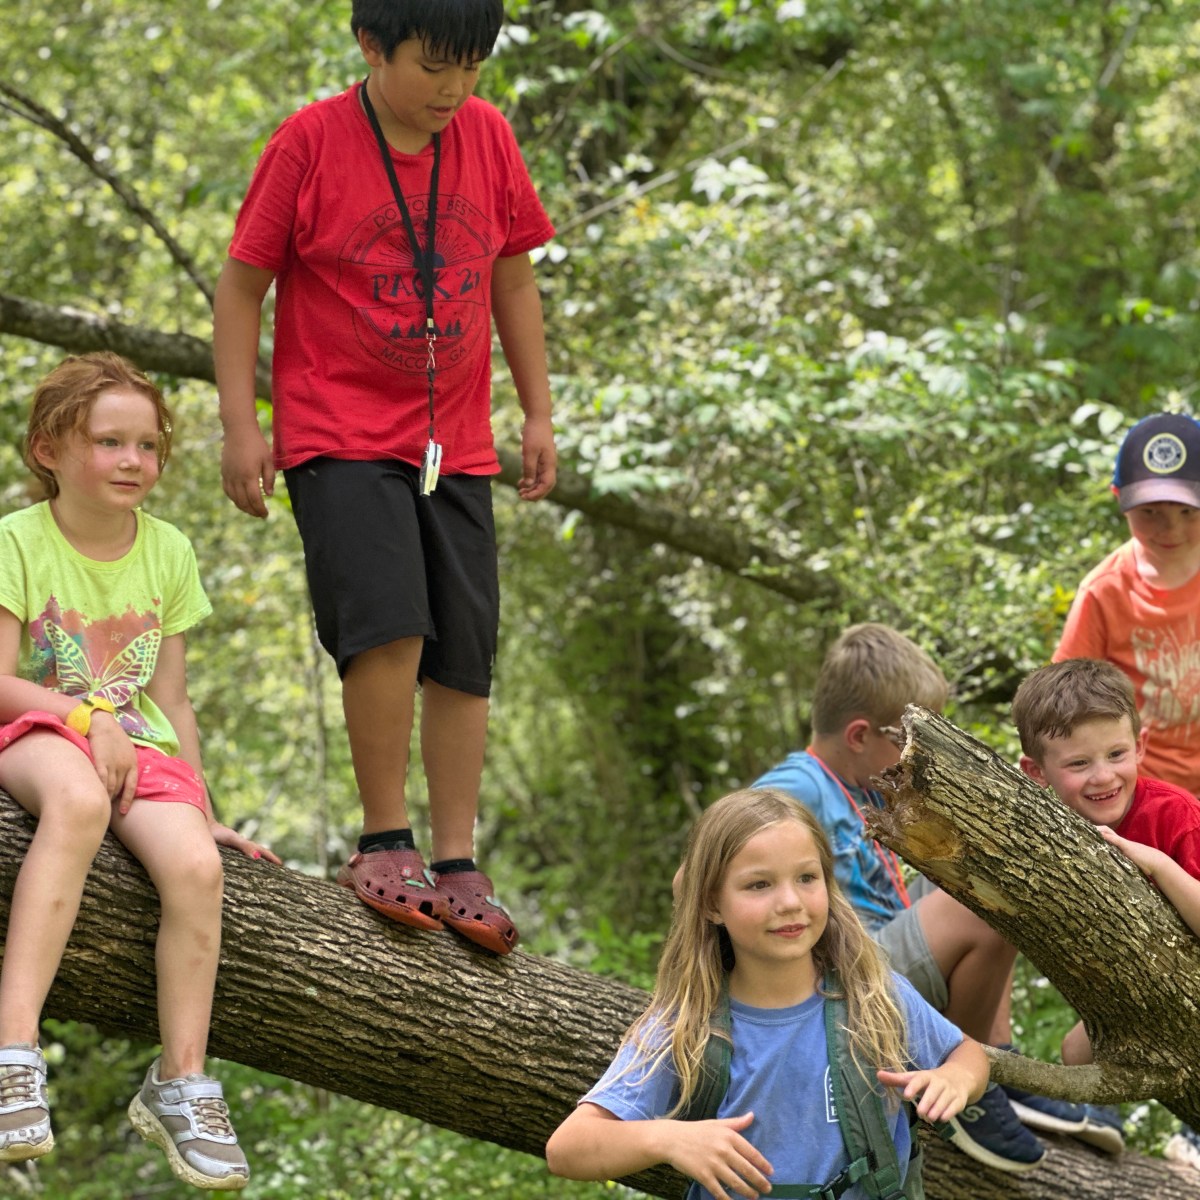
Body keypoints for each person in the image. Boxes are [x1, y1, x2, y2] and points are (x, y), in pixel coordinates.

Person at [212, 0, 557, 954]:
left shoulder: (485, 135)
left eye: (472, 67)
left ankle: (455, 858)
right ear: (371, 46)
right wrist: (243, 427)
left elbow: (513, 276)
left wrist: (537, 408)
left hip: (457, 437)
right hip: (337, 428)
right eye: (434, 66)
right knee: (389, 624)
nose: (455, 88)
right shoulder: (311, 142)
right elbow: (243, 286)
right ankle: (382, 838)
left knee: (465, 644)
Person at [0, 352, 279, 1188]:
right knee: (78, 803)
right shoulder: (17, 540)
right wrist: (83, 717)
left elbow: (173, 700)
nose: (133, 461)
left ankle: (180, 1082)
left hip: (138, 748)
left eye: (148, 446)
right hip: (37, 729)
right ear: (49, 448)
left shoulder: (168, 551)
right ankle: (13, 1050)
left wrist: (202, 804)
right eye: (109, 441)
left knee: (196, 867)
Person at [545, 788, 989, 1200]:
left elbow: (966, 1053)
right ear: (712, 904)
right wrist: (668, 1139)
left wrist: (957, 1079)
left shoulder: (874, 994)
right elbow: (568, 1149)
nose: (790, 902)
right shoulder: (686, 1026)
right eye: (759, 885)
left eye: (806, 878)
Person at [752, 623, 1060, 1171]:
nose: (916, 755)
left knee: (985, 871)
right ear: (858, 735)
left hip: (887, 958)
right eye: (906, 740)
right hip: (847, 978)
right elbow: (696, 877)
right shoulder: (797, 787)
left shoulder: (864, 784)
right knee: (981, 909)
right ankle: (956, 1071)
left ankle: (996, 1060)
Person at [1014, 656, 1200, 1158]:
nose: (1103, 777)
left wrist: (1160, 865)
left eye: (1117, 754)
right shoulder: (1052, 825)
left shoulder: (1174, 816)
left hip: (1192, 984)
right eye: (1078, 764)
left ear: (1140, 746)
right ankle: (1098, 1144)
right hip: (1141, 991)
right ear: (1036, 772)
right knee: (1076, 1051)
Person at [1054, 411, 1200, 796]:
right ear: (1120, 499)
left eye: (1188, 512)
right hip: (1142, 792)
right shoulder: (1105, 592)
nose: (1170, 528)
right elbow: (1062, 703)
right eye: (1150, 512)